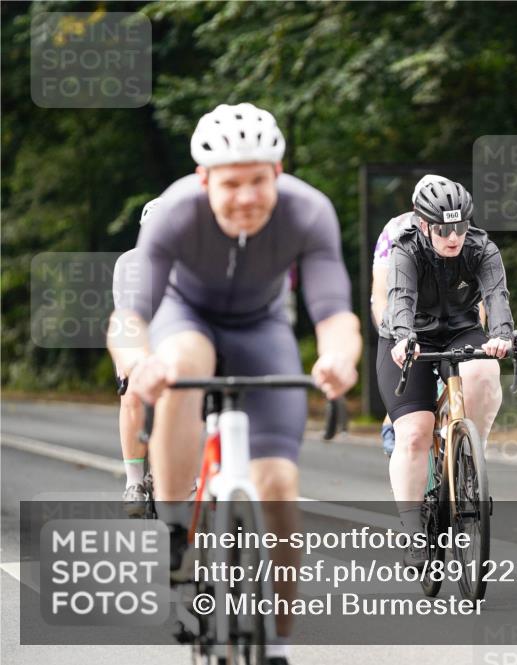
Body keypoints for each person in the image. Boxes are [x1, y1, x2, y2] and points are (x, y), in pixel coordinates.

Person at [106, 102, 360, 665]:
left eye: (257, 181)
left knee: (277, 487)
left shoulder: (309, 212)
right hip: (185, 316)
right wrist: (138, 361)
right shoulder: (175, 213)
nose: (245, 197)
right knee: (183, 360)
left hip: (261, 326)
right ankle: (176, 530)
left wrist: (340, 358)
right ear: (204, 179)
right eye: (230, 184)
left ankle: (279, 641)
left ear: (279, 172)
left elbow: (334, 311)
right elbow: (130, 315)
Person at [376, 176, 514, 568]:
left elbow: (496, 297)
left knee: (485, 373)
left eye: (460, 227)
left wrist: (502, 334)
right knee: (415, 431)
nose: (453, 237)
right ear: (423, 225)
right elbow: (400, 299)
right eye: (442, 229)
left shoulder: (481, 248)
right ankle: (413, 532)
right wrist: (403, 338)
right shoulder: (406, 248)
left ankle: (471, 461)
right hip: (407, 338)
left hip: (459, 331)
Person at [370, 176, 487, 459]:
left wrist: (477, 335)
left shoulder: (460, 234)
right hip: (403, 312)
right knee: (413, 387)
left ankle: (459, 443)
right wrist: (399, 335)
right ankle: (395, 419)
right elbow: (383, 294)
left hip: (450, 316)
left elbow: (478, 296)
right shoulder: (396, 231)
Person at [113, 198, 160, 517]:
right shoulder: (130, 262)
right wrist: (133, 363)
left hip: (182, 336)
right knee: (132, 395)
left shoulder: (199, 258)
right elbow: (128, 318)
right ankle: (134, 480)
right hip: (139, 330)